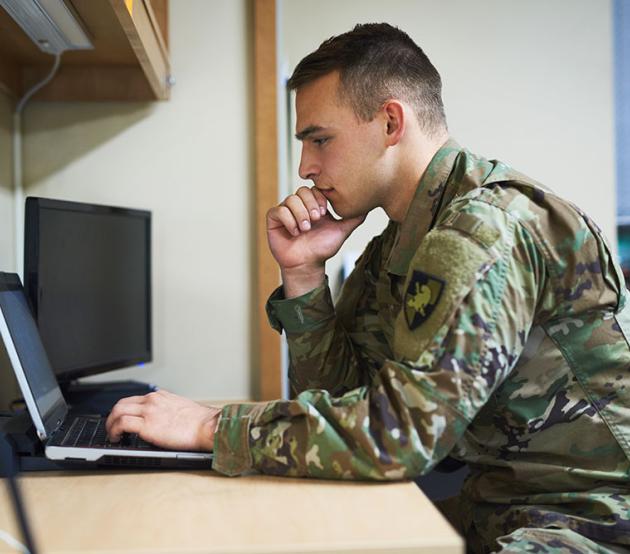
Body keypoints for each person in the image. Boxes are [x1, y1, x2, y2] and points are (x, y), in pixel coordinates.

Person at [106, 23, 630, 553]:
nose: (306, 168)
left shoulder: (480, 230)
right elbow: (341, 398)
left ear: (390, 121)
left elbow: (401, 435)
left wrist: (213, 427)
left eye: (319, 139)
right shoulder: (405, 237)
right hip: (497, 508)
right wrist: (304, 274)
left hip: (591, 519)